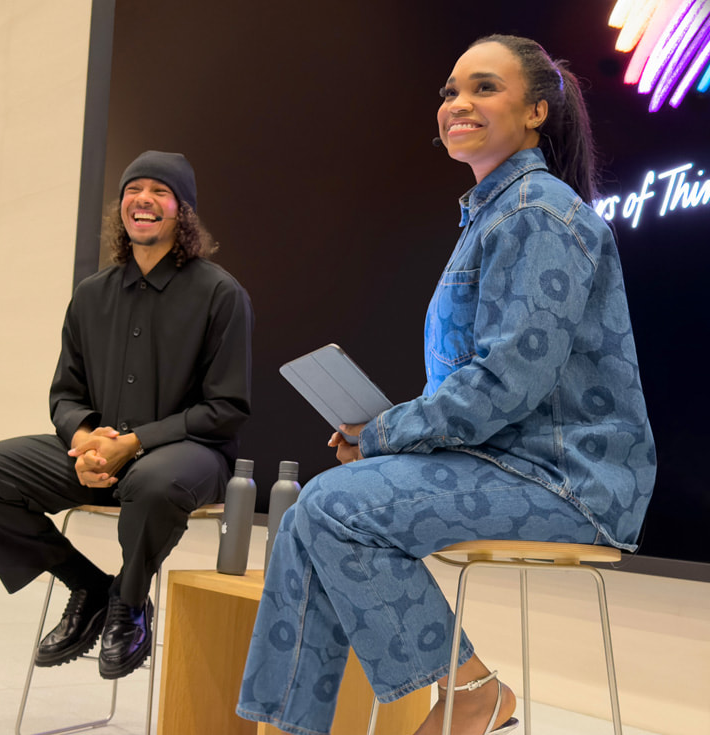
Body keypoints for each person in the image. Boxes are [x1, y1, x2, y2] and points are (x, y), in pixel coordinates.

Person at [236, 35, 655, 735]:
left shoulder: (537, 212)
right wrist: (384, 440)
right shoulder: (494, 214)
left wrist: (385, 434)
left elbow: (505, 385)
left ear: (536, 113)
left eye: (484, 88)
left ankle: (475, 692)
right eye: (450, 92)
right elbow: (487, 389)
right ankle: (286, 728)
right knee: (319, 509)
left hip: (565, 478)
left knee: (335, 506)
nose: (458, 103)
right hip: (511, 463)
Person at [0, 150, 253, 680]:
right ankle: (86, 584)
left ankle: (128, 604)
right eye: (135, 189)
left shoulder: (220, 294)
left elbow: (224, 410)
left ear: (183, 212)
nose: (144, 199)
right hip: (100, 457)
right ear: (123, 208)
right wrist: (86, 440)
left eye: (160, 191)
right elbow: (65, 393)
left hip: (186, 461)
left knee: (154, 483)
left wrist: (131, 444)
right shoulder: (91, 295)